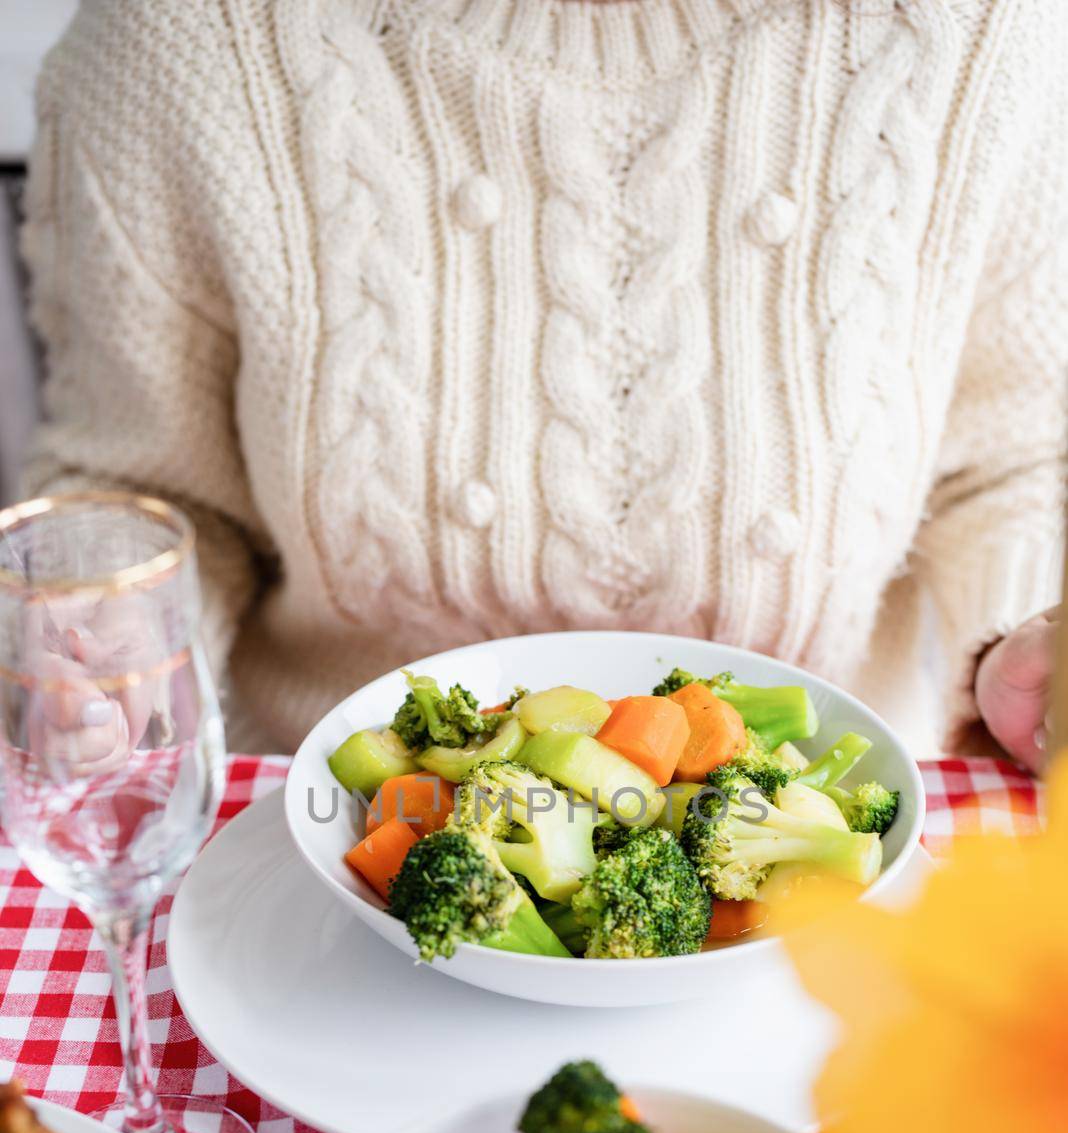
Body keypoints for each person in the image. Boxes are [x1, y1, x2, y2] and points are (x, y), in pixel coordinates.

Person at [18, 0, 1066, 766]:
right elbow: (145, 491)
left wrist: (1023, 644)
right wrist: (99, 651)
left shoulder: (981, 36)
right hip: (327, 837)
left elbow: (1021, 454)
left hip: (819, 837)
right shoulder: (180, 42)